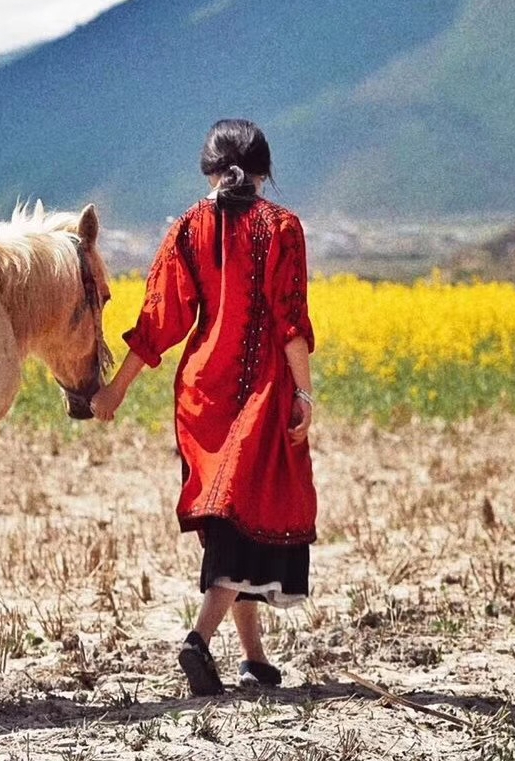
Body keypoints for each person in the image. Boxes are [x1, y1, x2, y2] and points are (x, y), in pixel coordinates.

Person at [90, 119, 316, 696]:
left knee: (228, 522)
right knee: (240, 527)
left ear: (209, 169)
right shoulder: (282, 228)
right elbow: (290, 322)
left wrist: (116, 388)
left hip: (201, 395)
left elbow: (160, 320)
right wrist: (304, 394)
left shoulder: (187, 229)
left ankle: (256, 660)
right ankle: (198, 641)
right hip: (260, 391)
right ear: (264, 170)